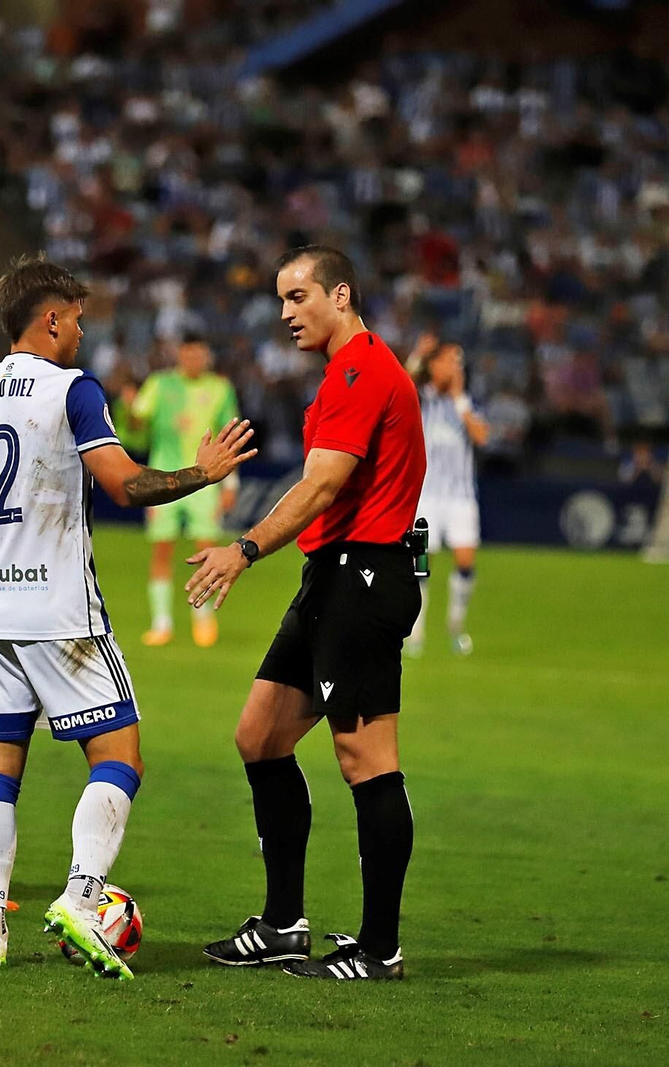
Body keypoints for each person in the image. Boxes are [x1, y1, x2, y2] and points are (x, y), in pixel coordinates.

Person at [0, 254, 255, 976]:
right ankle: (81, 898)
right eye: (77, 319)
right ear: (50, 319)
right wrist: (201, 474)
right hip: (61, 610)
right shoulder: (72, 390)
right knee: (120, 754)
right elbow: (123, 484)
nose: (81, 332)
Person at [186, 245, 426, 981]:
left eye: (298, 297)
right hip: (333, 578)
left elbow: (322, 487)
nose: (286, 313)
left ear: (341, 294)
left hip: (364, 576)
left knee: (367, 760)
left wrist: (244, 548)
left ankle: (379, 949)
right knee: (259, 735)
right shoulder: (342, 375)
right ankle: (286, 923)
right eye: (281, 300)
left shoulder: (360, 372)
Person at [123, 335, 241, 648]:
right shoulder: (160, 384)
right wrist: (128, 407)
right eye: (188, 353)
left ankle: (203, 618)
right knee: (162, 549)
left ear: (206, 356)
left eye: (199, 354)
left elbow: (228, 436)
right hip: (165, 479)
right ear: (180, 354)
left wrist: (231, 482)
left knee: (206, 549)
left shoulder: (220, 388)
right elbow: (136, 427)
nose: (194, 360)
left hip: (205, 480)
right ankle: (161, 622)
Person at [406, 333, 489, 656]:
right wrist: (417, 355)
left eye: (456, 363)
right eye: (446, 362)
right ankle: (415, 631)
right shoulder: (422, 398)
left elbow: (482, 437)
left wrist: (459, 398)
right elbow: (397, 384)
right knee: (421, 563)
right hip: (426, 495)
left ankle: (456, 625)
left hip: (461, 496)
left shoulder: (467, 402)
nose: (452, 368)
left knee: (466, 559)